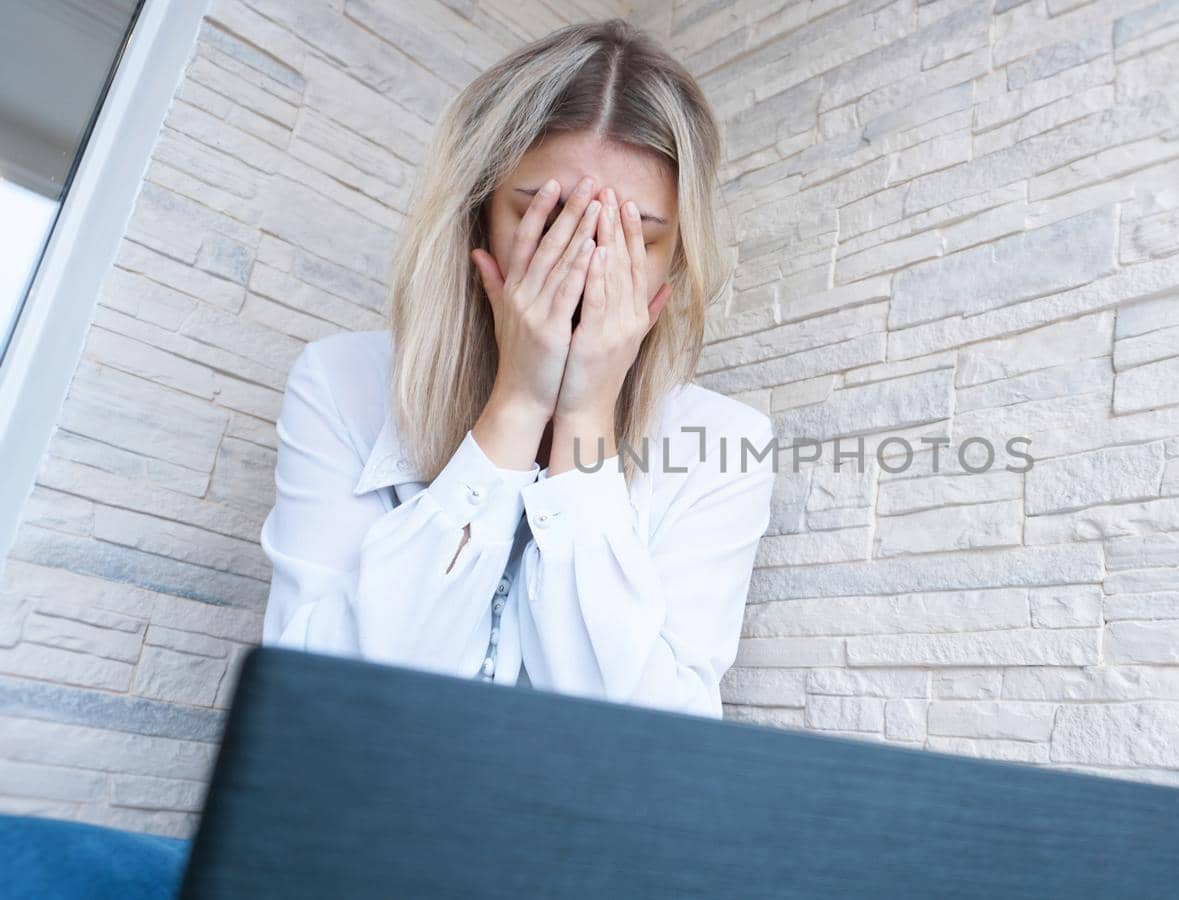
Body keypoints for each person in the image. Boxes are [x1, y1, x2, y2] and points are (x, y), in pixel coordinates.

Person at [2, 18, 775, 893]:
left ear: (675, 261)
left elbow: (654, 764)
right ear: (479, 214)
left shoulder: (725, 444)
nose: (585, 260)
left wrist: (586, 421)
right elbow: (322, 722)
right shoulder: (343, 383)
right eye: (545, 214)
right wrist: (515, 406)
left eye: (635, 231)